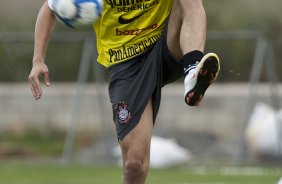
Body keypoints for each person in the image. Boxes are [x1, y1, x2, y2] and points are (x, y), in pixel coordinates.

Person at [28, 0, 220, 183]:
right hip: (125, 65)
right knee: (134, 165)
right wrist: (38, 60)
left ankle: (192, 69)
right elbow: (49, 8)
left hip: (164, 42)